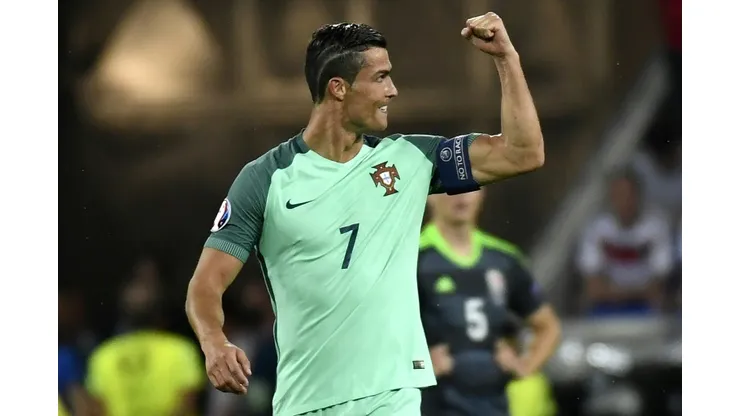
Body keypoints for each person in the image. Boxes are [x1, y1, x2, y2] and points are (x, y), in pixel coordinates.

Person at [186, 13, 545, 416]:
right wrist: (214, 342)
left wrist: (506, 58)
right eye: (380, 78)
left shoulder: (411, 159)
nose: (393, 90)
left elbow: (523, 153)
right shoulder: (267, 179)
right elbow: (206, 283)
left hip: (393, 394)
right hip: (306, 400)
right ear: (338, 88)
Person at [418, 190, 560, 416]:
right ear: (430, 194)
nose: (460, 195)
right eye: (449, 187)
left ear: (482, 193)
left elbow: (547, 326)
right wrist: (419, 366)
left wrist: (524, 365)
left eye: (469, 187)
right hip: (434, 406)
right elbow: (379, 333)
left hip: (493, 406)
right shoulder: (413, 257)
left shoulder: (504, 259)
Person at [86, 259, 206, 415]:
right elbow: (186, 408)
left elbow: (96, 411)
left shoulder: (103, 356)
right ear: (162, 312)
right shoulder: (181, 351)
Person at [576, 167, 673, 316]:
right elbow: (593, 290)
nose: (625, 201)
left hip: (646, 309)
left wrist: (613, 292)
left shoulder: (656, 226)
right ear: (611, 197)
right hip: (607, 308)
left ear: (639, 196)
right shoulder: (596, 228)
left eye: (629, 195)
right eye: (619, 195)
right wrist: (637, 292)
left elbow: (658, 289)